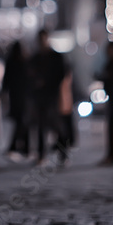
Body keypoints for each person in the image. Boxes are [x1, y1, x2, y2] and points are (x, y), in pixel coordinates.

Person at [31, 30, 67, 165]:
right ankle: (41, 154)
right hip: (40, 97)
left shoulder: (55, 57)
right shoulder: (35, 58)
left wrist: (48, 82)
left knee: (57, 125)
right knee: (41, 126)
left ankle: (63, 153)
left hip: (52, 95)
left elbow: (61, 74)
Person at [1, 41, 33, 161]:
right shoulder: (25, 62)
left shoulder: (12, 63)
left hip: (16, 97)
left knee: (22, 123)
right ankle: (18, 148)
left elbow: (6, 81)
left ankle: (22, 148)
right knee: (23, 123)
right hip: (24, 98)